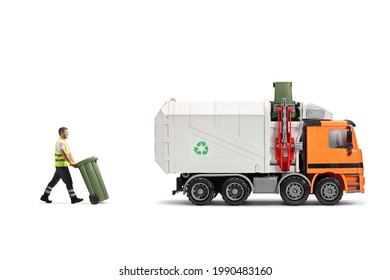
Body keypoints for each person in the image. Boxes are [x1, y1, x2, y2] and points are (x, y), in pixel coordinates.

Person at [40, 127, 83, 204]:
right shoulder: (60, 142)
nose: (68, 133)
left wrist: (73, 162)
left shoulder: (64, 142)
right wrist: (70, 162)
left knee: (53, 181)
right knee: (69, 181)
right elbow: (64, 154)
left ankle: (45, 196)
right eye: (66, 132)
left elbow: (69, 154)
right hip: (61, 166)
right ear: (61, 133)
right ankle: (73, 198)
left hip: (61, 166)